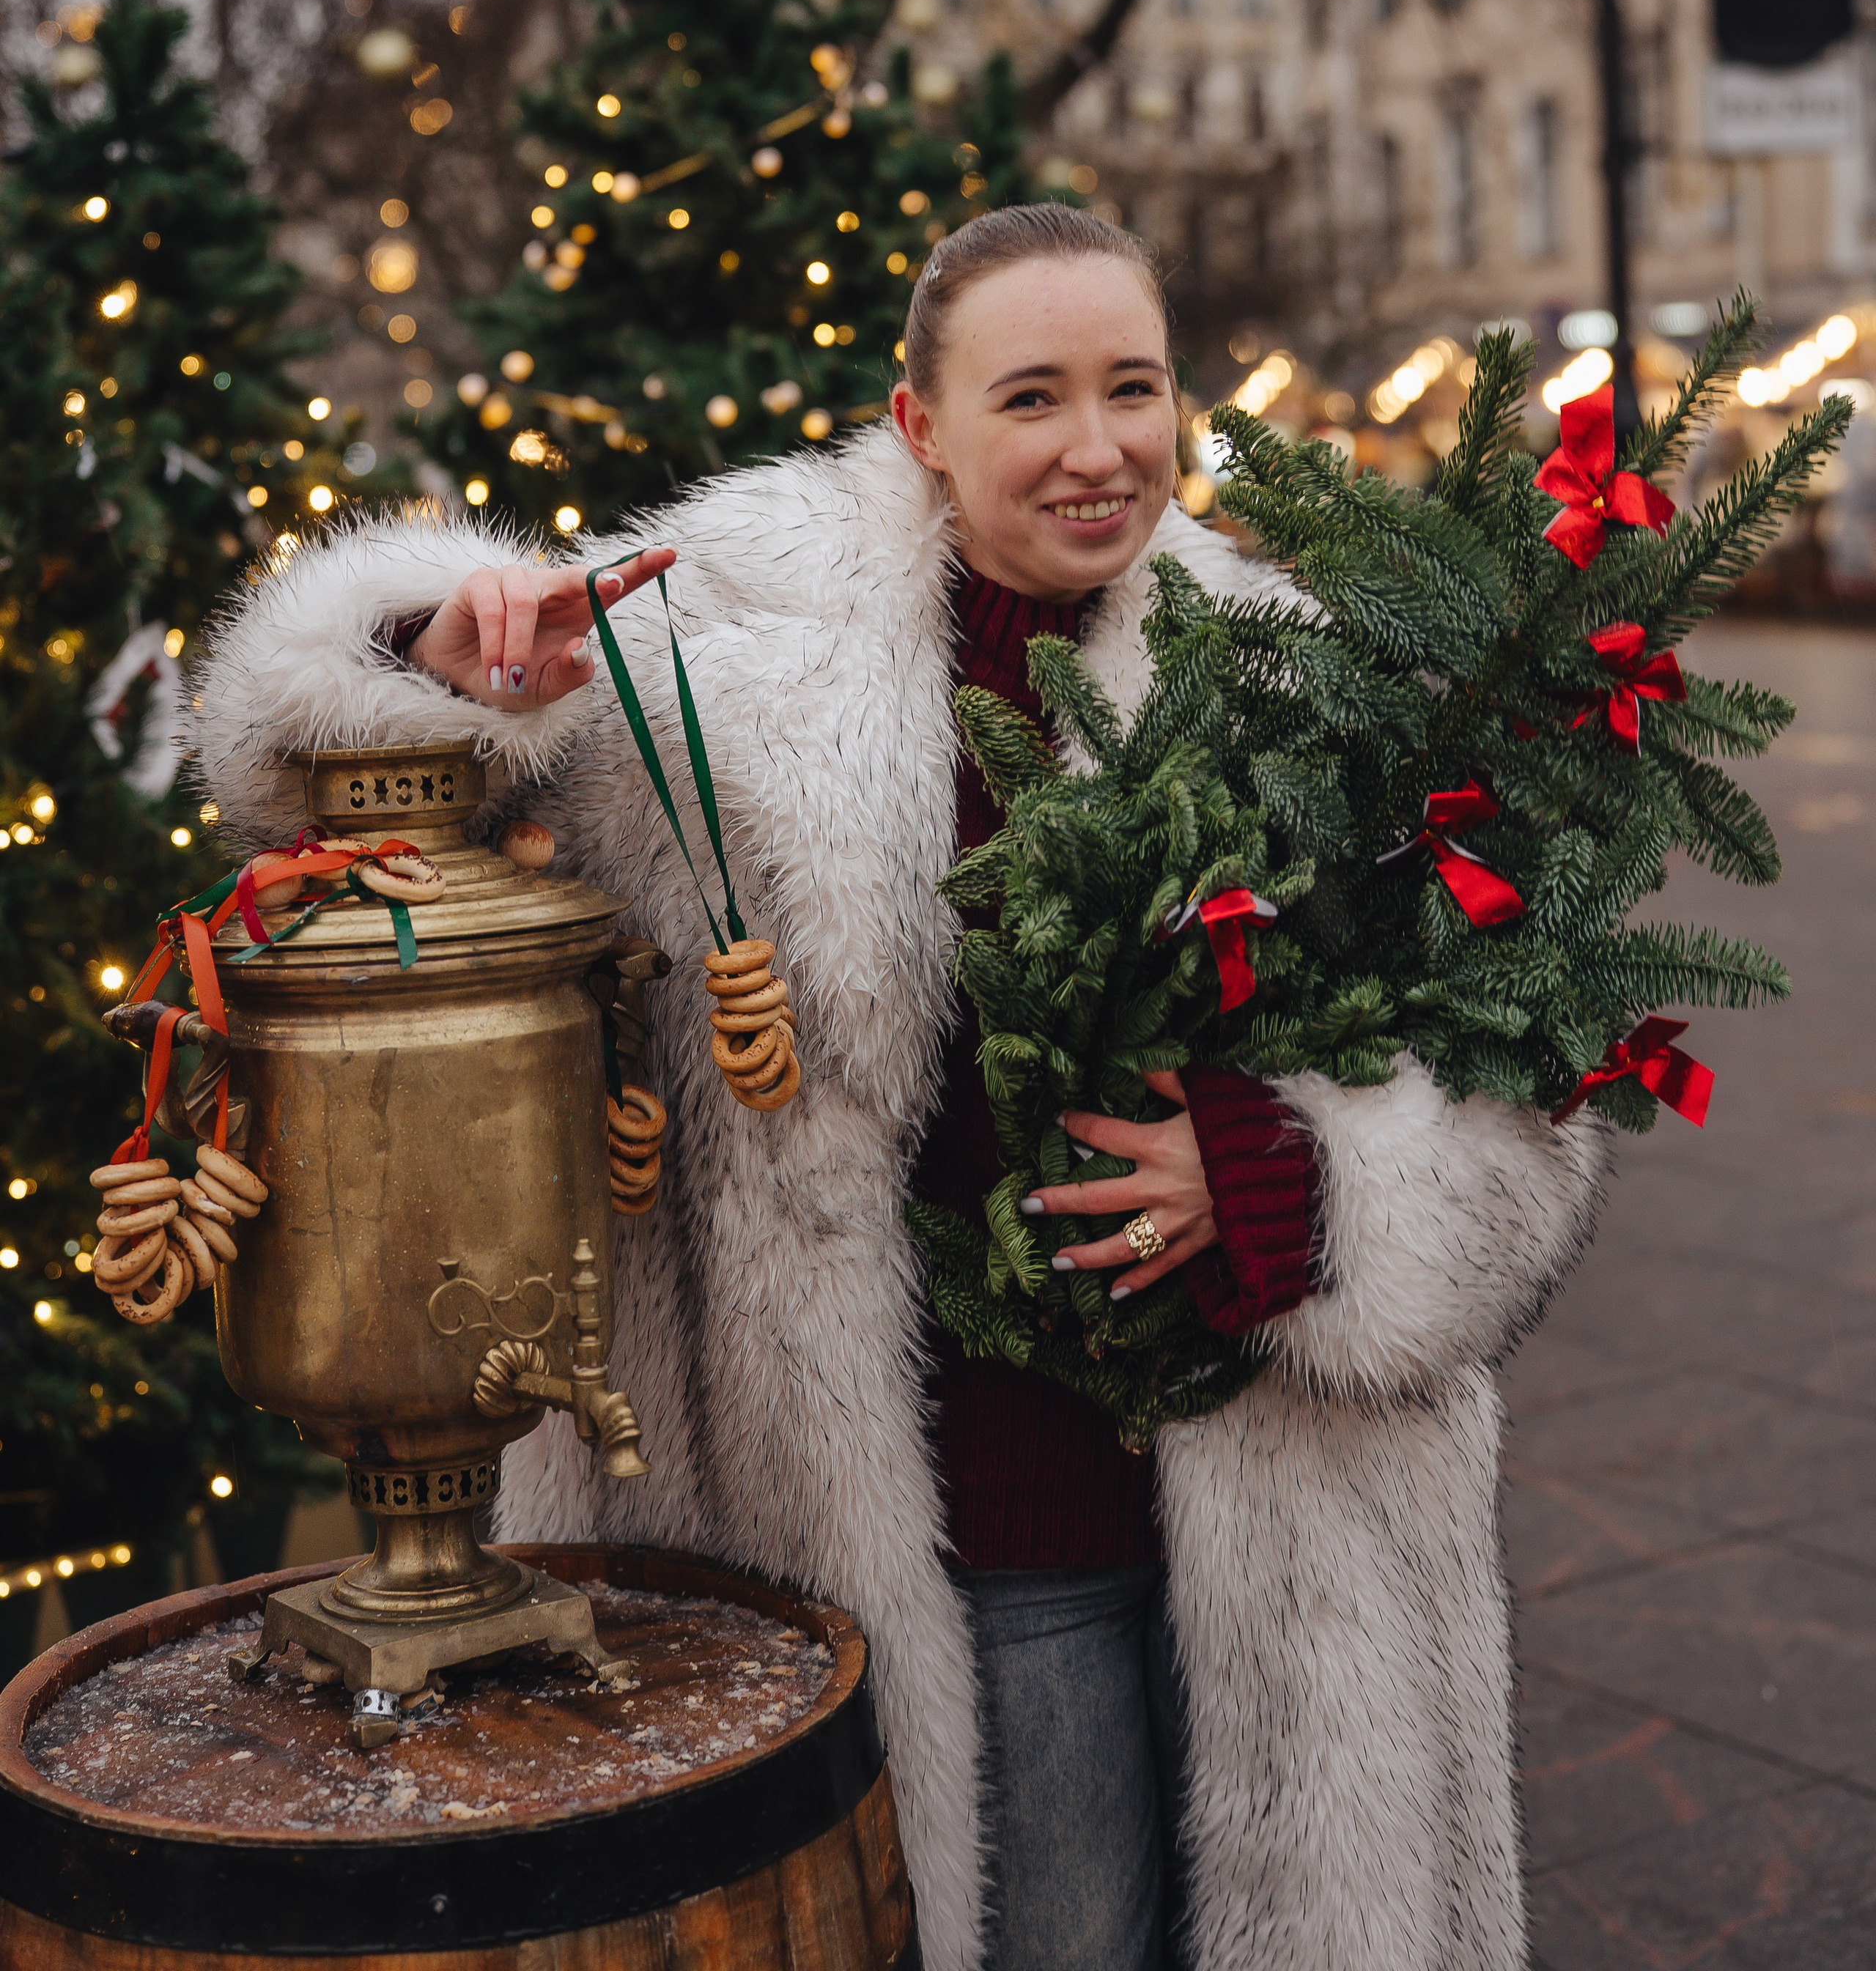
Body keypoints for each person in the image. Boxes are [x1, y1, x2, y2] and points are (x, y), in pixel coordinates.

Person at [192, 205, 1607, 1971]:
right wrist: (431, 657)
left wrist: (1298, 1188)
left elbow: (1532, 1093)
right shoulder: (720, 646)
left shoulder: (1298, 669)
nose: (1098, 450)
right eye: (1031, 397)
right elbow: (292, 771)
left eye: (1134, 390)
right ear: (919, 421)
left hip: (1305, 1538)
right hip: (944, 1541)